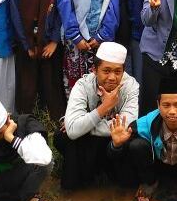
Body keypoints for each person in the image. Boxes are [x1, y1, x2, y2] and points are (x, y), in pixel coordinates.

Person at [55, 42, 139, 190]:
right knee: (62, 136)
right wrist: (104, 108)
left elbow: (126, 126)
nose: (112, 77)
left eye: (117, 72)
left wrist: (84, 126)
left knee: (130, 138)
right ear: (94, 70)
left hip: (114, 142)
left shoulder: (131, 86)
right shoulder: (82, 85)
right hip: (90, 144)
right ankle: (78, 184)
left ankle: (118, 181)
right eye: (106, 71)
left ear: (123, 71)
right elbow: (72, 131)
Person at [11, 0, 64, 120]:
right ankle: (25, 120)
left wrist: (55, 41)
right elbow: (14, 13)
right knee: (27, 83)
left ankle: (56, 120)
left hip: (49, 40)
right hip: (25, 41)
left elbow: (60, 12)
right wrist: (26, 44)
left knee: (51, 81)